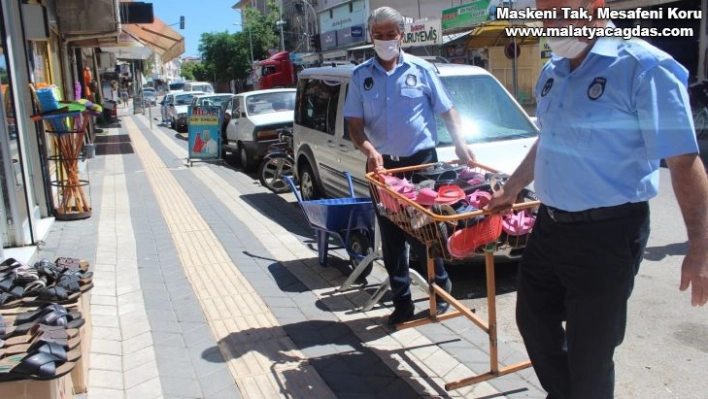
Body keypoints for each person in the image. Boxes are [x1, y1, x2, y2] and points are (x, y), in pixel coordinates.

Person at [485, 0, 708, 397]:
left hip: (607, 235)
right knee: (533, 322)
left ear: (595, 6)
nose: (552, 23)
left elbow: (683, 159)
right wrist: (512, 188)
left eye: (562, 11)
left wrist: (700, 245)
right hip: (550, 227)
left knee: (591, 354)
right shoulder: (553, 71)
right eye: (545, 13)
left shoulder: (643, 68)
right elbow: (548, 140)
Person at [343, 6, 476, 327]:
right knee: (392, 239)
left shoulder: (422, 69)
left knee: (426, 232)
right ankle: (402, 302)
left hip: (421, 167)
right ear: (371, 37)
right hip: (383, 170)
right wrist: (369, 149)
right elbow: (355, 126)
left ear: (402, 35)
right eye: (380, 35)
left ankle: (440, 288)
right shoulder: (361, 76)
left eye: (392, 35)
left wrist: (459, 141)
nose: (386, 41)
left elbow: (448, 110)